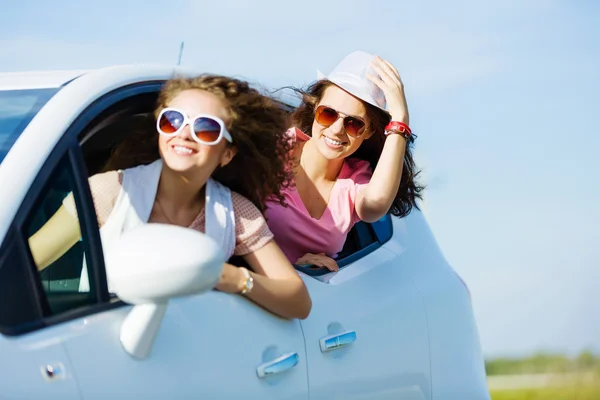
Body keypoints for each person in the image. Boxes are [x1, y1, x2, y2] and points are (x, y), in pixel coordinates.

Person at [28, 74, 312, 320]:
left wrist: (229, 277)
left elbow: (298, 300)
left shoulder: (235, 212)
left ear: (227, 153)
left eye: (206, 128)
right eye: (172, 121)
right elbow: (21, 265)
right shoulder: (109, 191)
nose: (184, 134)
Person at [265, 50, 424, 271]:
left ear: (369, 132)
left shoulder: (355, 182)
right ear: (314, 108)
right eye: (328, 113)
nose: (337, 129)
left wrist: (400, 120)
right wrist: (289, 266)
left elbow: (375, 205)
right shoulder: (271, 153)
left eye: (354, 123)